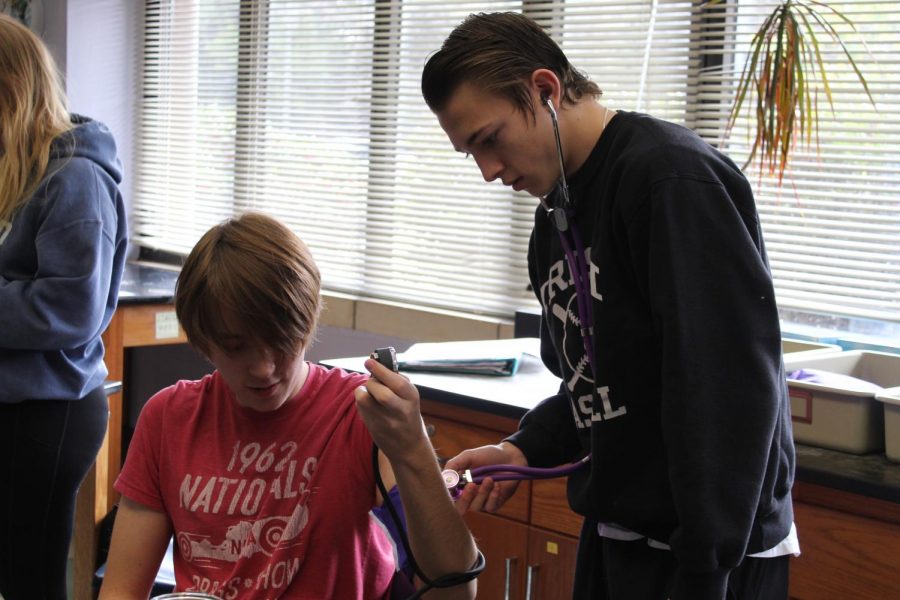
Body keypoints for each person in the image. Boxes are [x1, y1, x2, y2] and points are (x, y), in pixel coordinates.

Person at [422, 11, 798, 600]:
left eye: (489, 140)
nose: (489, 172)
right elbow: (593, 388)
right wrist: (522, 447)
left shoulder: (670, 180)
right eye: (470, 153)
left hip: (707, 554)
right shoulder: (555, 221)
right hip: (621, 534)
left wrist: (705, 566)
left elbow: (726, 393)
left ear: (544, 90)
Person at [98, 212, 478, 600]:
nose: (263, 369)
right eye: (235, 347)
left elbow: (454, 590)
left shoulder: (359, 415)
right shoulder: (169, 418)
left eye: (280, 339)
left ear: (307, 320)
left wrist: (412, 448)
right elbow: (121, 592)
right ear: (203, 340)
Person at [0, 13, 128, 600]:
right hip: (15, 402)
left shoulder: (74, 179)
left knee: (32, 579)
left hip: (48, 413)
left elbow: (69, 309)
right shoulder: (15, 168)